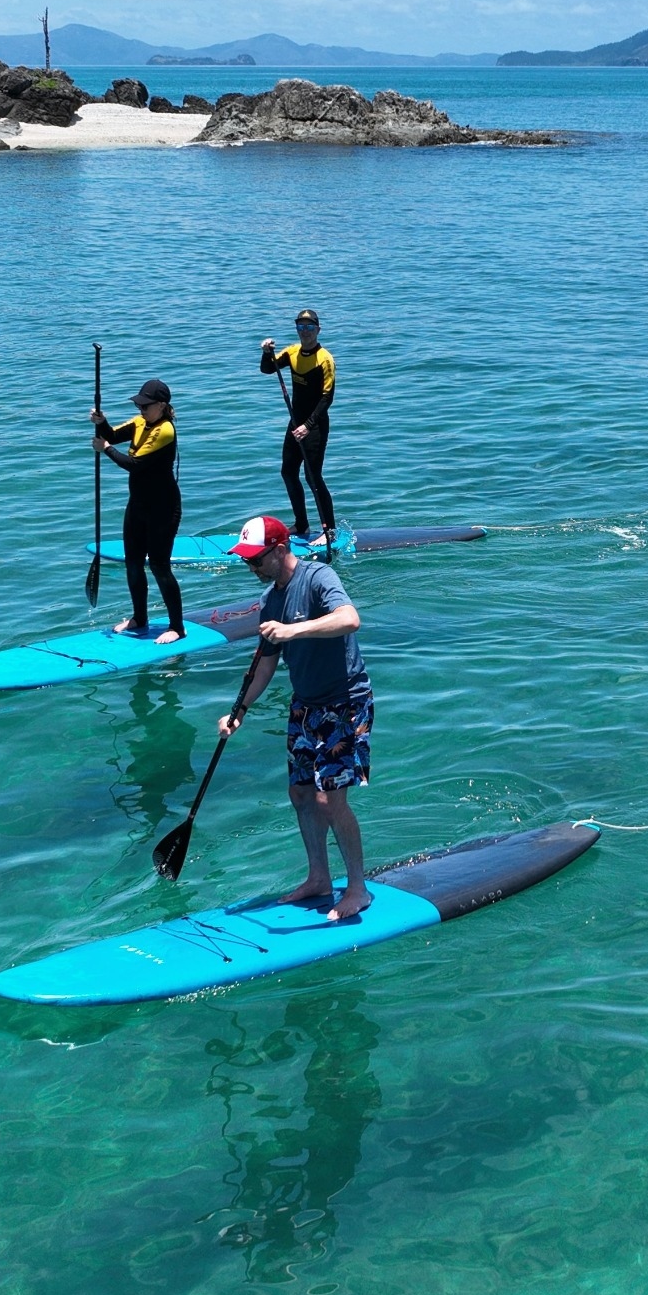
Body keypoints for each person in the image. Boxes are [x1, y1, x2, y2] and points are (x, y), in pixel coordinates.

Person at [219, 513, 374, 920]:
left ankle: (357, 889)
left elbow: (349, 619)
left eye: (255, 560)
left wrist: (293, 632)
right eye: (246, 560)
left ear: (281, 550)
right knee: (301, 794)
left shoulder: (318, 577)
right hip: (305, 705)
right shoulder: (270, 600)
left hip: (345, 701)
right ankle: (319, 878)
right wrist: (239, 712)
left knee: (329, 799)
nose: (250, 568)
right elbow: (265, 667)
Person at [94, 377, 186, 643]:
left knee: (159, 567)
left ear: (161, 405)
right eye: (139, 406)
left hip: (163, 509)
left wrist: (107, 449)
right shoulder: (138, 423)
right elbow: (111, 435)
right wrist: (103, 423)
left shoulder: (165, 430)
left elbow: (134, 464)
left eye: (146, 406)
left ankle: (177, 628)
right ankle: (139, 618)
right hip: (137, 506)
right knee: (133, 564)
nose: (141, 410)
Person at [259, 309, 337, 541]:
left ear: (318, 330)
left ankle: (329, 531)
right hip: (295, 423)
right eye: (301, 327)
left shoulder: (325, 359)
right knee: (288, 472)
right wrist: (266, 352)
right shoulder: (292, 352)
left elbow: (327, 398)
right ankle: (301, 524)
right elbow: (268, 368)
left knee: (313, 477)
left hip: (315, 426)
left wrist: (308, 425)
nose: (305, 332)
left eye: (309, 327)